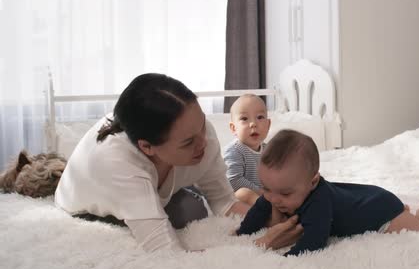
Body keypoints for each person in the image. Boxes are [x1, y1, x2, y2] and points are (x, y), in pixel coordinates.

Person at [54, 73, 302, 252]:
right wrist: (262, 244)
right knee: (181, 215)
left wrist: (276, 221)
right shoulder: (117, 165)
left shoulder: (201, 135)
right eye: (187, 143)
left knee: (191, 211)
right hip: (88, 207)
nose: (203, 144)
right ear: (147, 147)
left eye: (201, 125)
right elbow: (168, 257)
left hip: (155, 181)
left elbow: (224, 202)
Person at [235, 129, 419, 256]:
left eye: (286, 194)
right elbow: (259, 210)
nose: (273, 198)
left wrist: (286, 258)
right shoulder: (276, 191)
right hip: (360, 197)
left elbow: (315, 242)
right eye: (266, 188)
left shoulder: (319, 203)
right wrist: (241, 233)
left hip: (380, 211)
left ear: (313, 181)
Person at [224, 94, 271, 206]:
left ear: (268, 125)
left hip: (263, 195)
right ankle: (269, 214)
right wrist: (262, 192)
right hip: (237, 197)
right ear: (234, 128)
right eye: (244, 119)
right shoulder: (234, 150)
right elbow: (234, 181)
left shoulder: (269, 149)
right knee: (243, 193)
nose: (253, 124)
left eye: (260, 117)